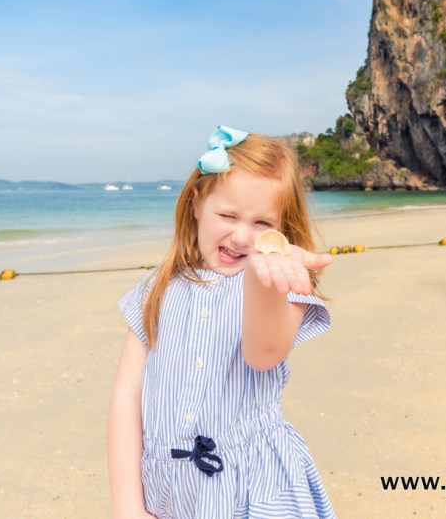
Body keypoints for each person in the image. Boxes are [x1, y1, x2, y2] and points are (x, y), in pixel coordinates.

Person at [107, 126, 336, 519]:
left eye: (263, 223)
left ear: (281, 229)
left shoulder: (280, 287)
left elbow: (264, 353)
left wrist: (261, 281)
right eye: (228, 215)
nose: (242, 235)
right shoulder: (156, 289)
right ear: (196, 203)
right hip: (168, 489)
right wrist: (127, 505)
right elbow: (127, 395)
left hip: (252, 489)